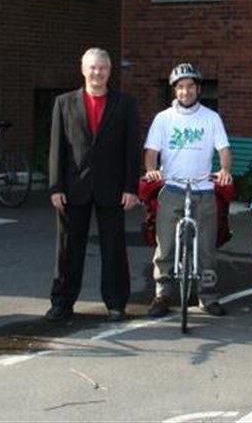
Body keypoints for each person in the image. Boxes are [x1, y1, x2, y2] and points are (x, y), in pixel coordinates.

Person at [47, 47, 141, 323]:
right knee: (67, 249)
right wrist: (55, 187)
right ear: (83, 69)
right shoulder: (64, 103)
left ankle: (116, 304)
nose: (97, 73)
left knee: (114, 249)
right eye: (93, 67)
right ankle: (61, 302)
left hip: (112, 189)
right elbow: (57, 148)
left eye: (102, 68)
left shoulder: (125, 104)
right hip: (72, 189)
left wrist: (130, 188)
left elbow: (131, 149)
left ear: (110, 71)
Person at [144, 63, 233, 318]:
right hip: (172, 187)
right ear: (175, 91)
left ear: (198, 89)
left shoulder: (210, 117)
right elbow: (151, 152)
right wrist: (152, 170)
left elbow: (224, 150)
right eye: (181, 87)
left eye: (190, 86)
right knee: (166, 246)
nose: (185, 91)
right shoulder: (163, 119)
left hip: (203, 188)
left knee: (206, 247)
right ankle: (162, 294)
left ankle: (208, 295)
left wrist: (225, 170)